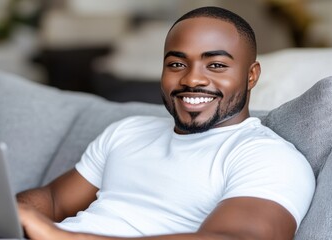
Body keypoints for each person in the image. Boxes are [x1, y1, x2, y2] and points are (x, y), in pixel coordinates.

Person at [19, 6, 315, 240]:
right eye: (177, 64)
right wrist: (12, 213)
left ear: (251, 75)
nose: (192, 79)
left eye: (216, 65)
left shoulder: (268, 158)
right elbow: (54, 201)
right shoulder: (128, 131)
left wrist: (62, 237)